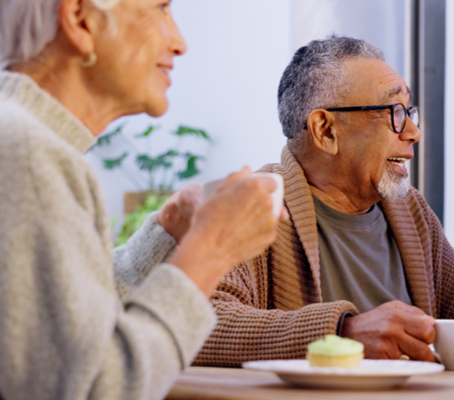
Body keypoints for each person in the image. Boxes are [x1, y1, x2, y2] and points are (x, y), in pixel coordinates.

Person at [193, 35, 454, 367]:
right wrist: (343, 332)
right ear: (325, 130)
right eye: (395, 112)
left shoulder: (409, 210)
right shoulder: (252, 204)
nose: (415, 132)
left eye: (410, 111)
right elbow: (197, 321)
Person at [0, 0, 282, 399]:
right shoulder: (28, 154)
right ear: (80, 19)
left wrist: (167, 234)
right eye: (161, 9)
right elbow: (97, 387)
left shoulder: (24, 145)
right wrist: (210, 250)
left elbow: (64, 327)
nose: (181, 43)